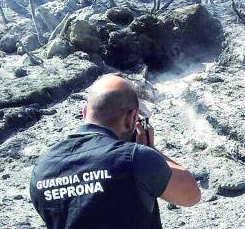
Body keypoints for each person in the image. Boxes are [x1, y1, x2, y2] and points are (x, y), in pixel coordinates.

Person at [30, 74, 201, 229]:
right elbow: (191, 194)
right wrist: (150, 149)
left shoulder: (42, 168)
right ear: (131, 118)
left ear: (84, 112)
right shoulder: (135, 158)